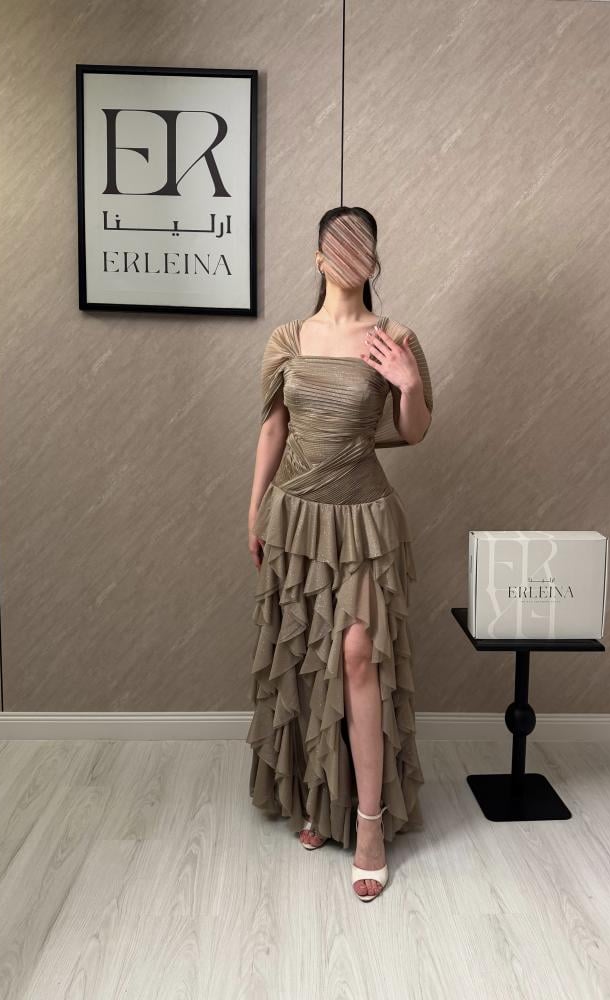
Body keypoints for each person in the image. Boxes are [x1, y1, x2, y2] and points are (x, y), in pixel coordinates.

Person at [245, 206, 434, 902]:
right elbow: (274, 428)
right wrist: (254, 509)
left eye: (363, 245)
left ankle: (369, 824)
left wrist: (409, 384)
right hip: (294, 515)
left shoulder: (395, 338)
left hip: (360, 521)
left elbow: (414, 432)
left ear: (374, 260)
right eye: (337, 244)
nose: (350, 255)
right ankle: (322, 804)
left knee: (357, 655)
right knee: (307, 658)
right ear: (320, 257)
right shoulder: (289, 339)